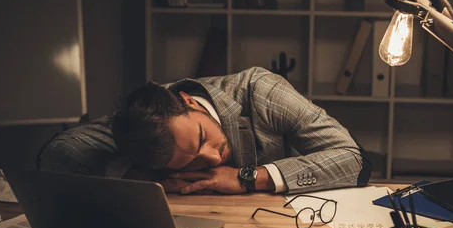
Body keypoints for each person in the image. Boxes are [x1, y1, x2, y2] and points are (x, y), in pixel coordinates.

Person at [37, 67, 371, 195]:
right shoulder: (142, 125)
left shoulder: (262, 91)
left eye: (201, 138)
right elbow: (57, 153)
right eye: (189, 163)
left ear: (188, 102)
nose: (212, 157)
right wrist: (134, 175)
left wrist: (248, 177)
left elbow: (353, 159)